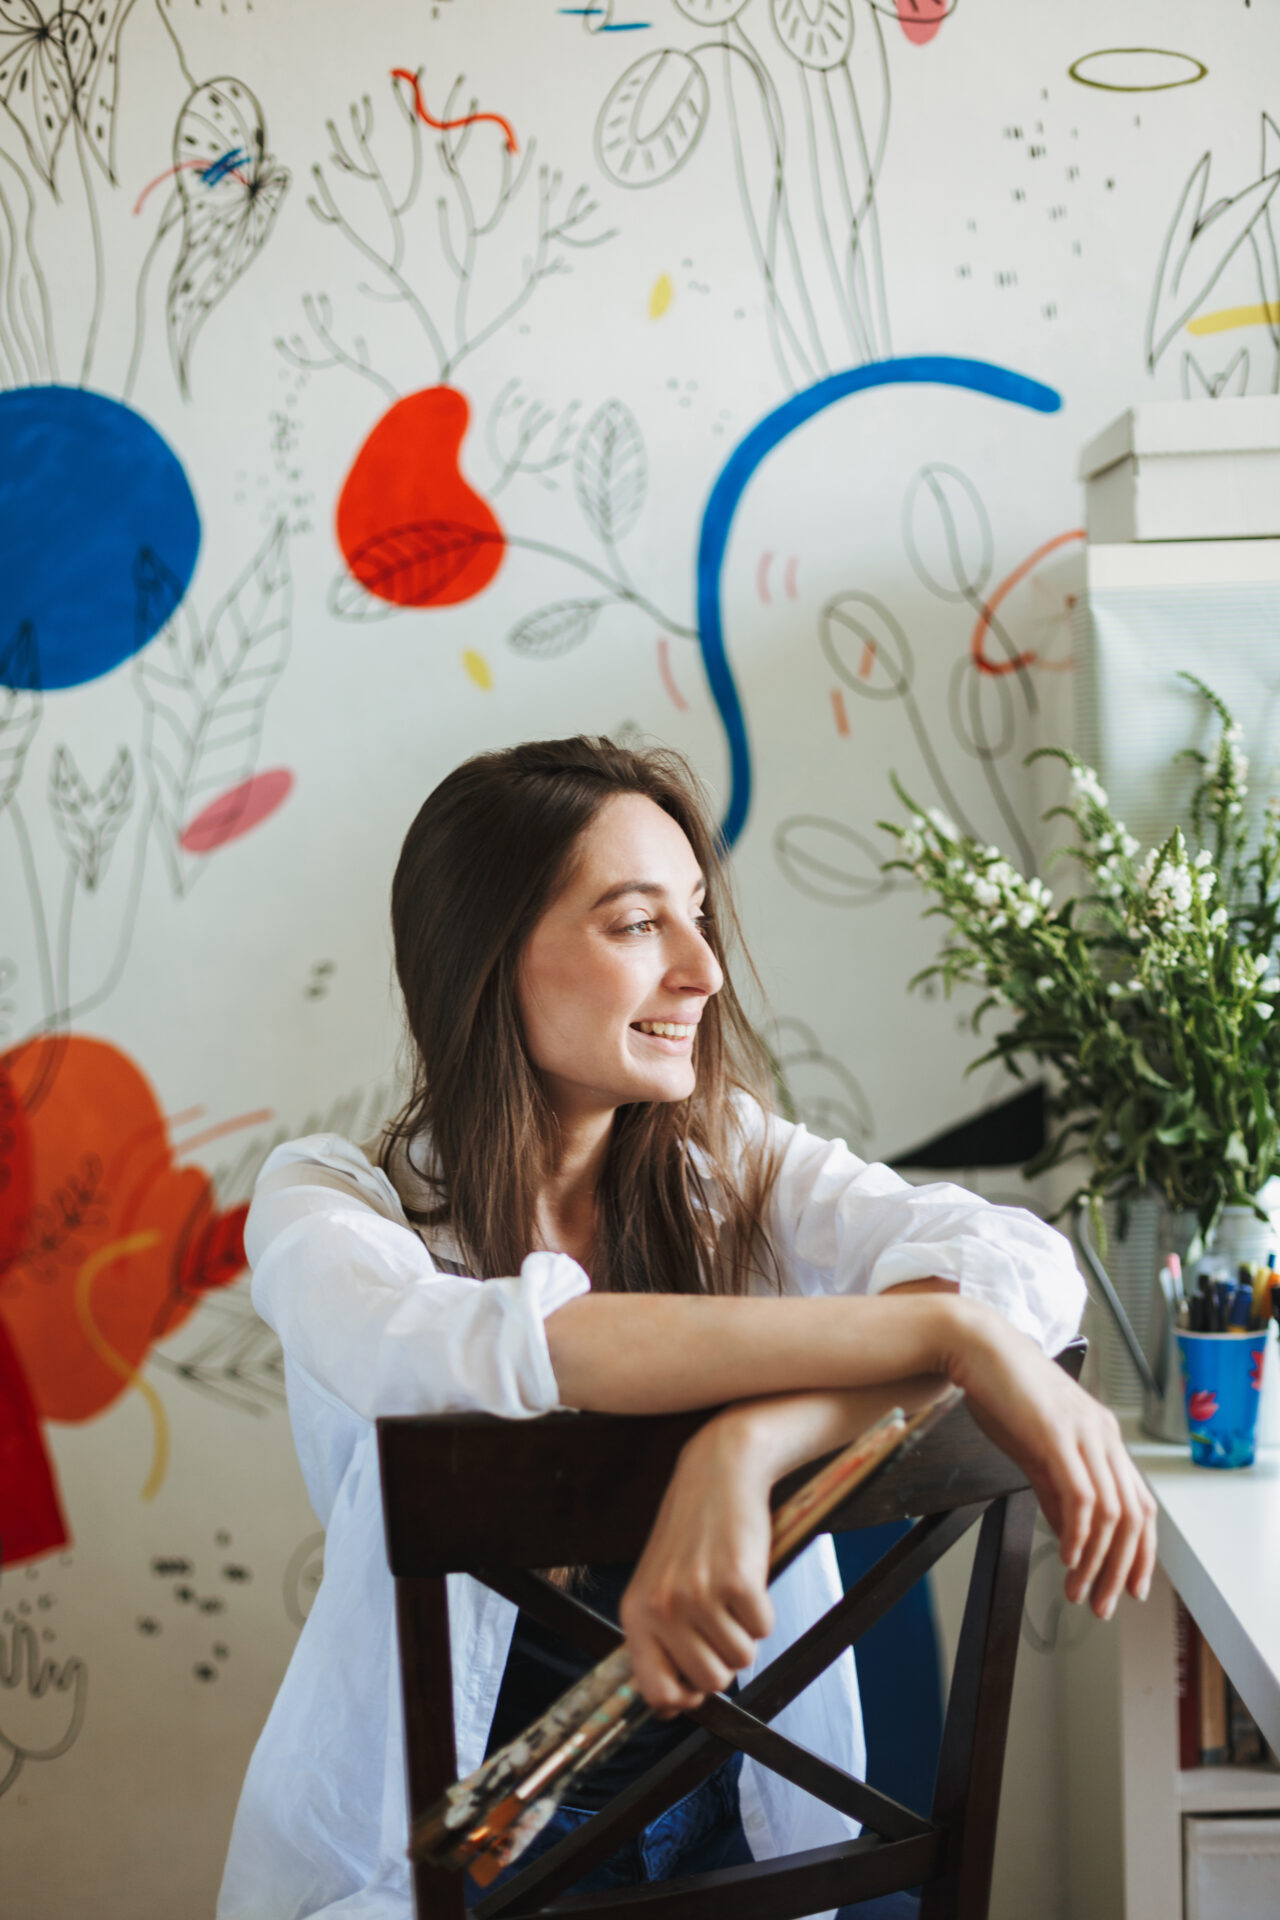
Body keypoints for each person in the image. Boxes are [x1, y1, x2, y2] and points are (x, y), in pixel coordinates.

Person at [217, 736, 1155, 1920]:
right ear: (482, 962)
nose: (705, 970)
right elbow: (476, 1352)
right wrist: (953, 1347)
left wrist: (748, 1445)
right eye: (634, 923)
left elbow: (1011, 1263)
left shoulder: (725, 1159)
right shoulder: (330, 1206)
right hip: (464, 1864)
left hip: (749, 1837)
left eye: (698, 916)